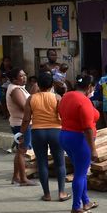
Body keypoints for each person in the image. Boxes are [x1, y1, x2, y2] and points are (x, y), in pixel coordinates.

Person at [20, 71, 69, 203]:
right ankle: (61, 192)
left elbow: (26, 119)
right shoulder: (57, 97)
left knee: (42, 163)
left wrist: (22, 134)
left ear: (38, 84)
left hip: (38, 132)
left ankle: (47, 194)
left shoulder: (31, 99)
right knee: (60, 163)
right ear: (52, 85)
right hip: (56, 131)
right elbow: (63, 116)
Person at [59, 74, 101, 213]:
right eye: (93, 88)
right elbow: (87, 128)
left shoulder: (66, 96)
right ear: (89, 87)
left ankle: (86, 201)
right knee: (81, 174)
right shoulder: (84, 101)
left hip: (65, 136)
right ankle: (76, 207)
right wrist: (93, 149)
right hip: (79, 139)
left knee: (80, 171)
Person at [6, 68, 34, 187]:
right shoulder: (15, 90)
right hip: (21, 123)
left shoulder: (19, 88)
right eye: (21, 76)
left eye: (24, 75)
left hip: (21, 122)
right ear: (14, 79)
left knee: (20, 150)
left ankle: (16, 176)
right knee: (22, 151)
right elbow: (24, 107)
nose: (24, 77)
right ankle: (23, 179)